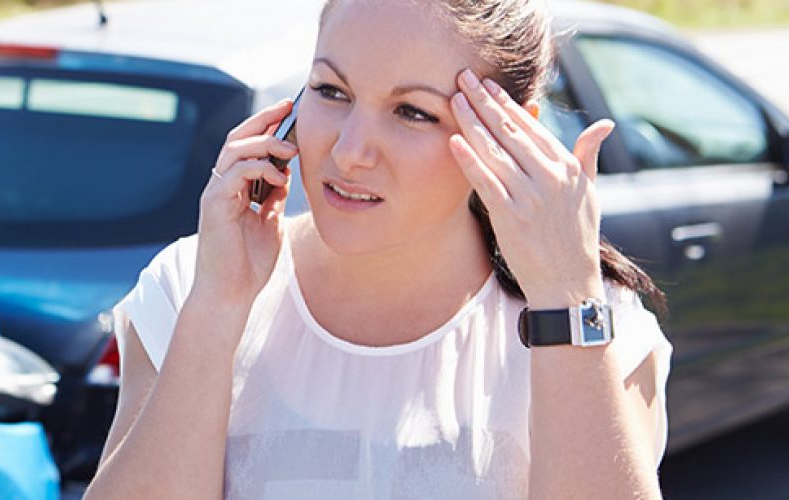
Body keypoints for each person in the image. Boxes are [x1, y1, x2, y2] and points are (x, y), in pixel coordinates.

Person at [84, 0, 673, 498]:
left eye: (412, 111)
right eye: (331, 90)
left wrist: (565, 297)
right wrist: (216, 305)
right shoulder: (192, 283)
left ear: (510, 133)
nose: (350, 151)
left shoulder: (596, 322)